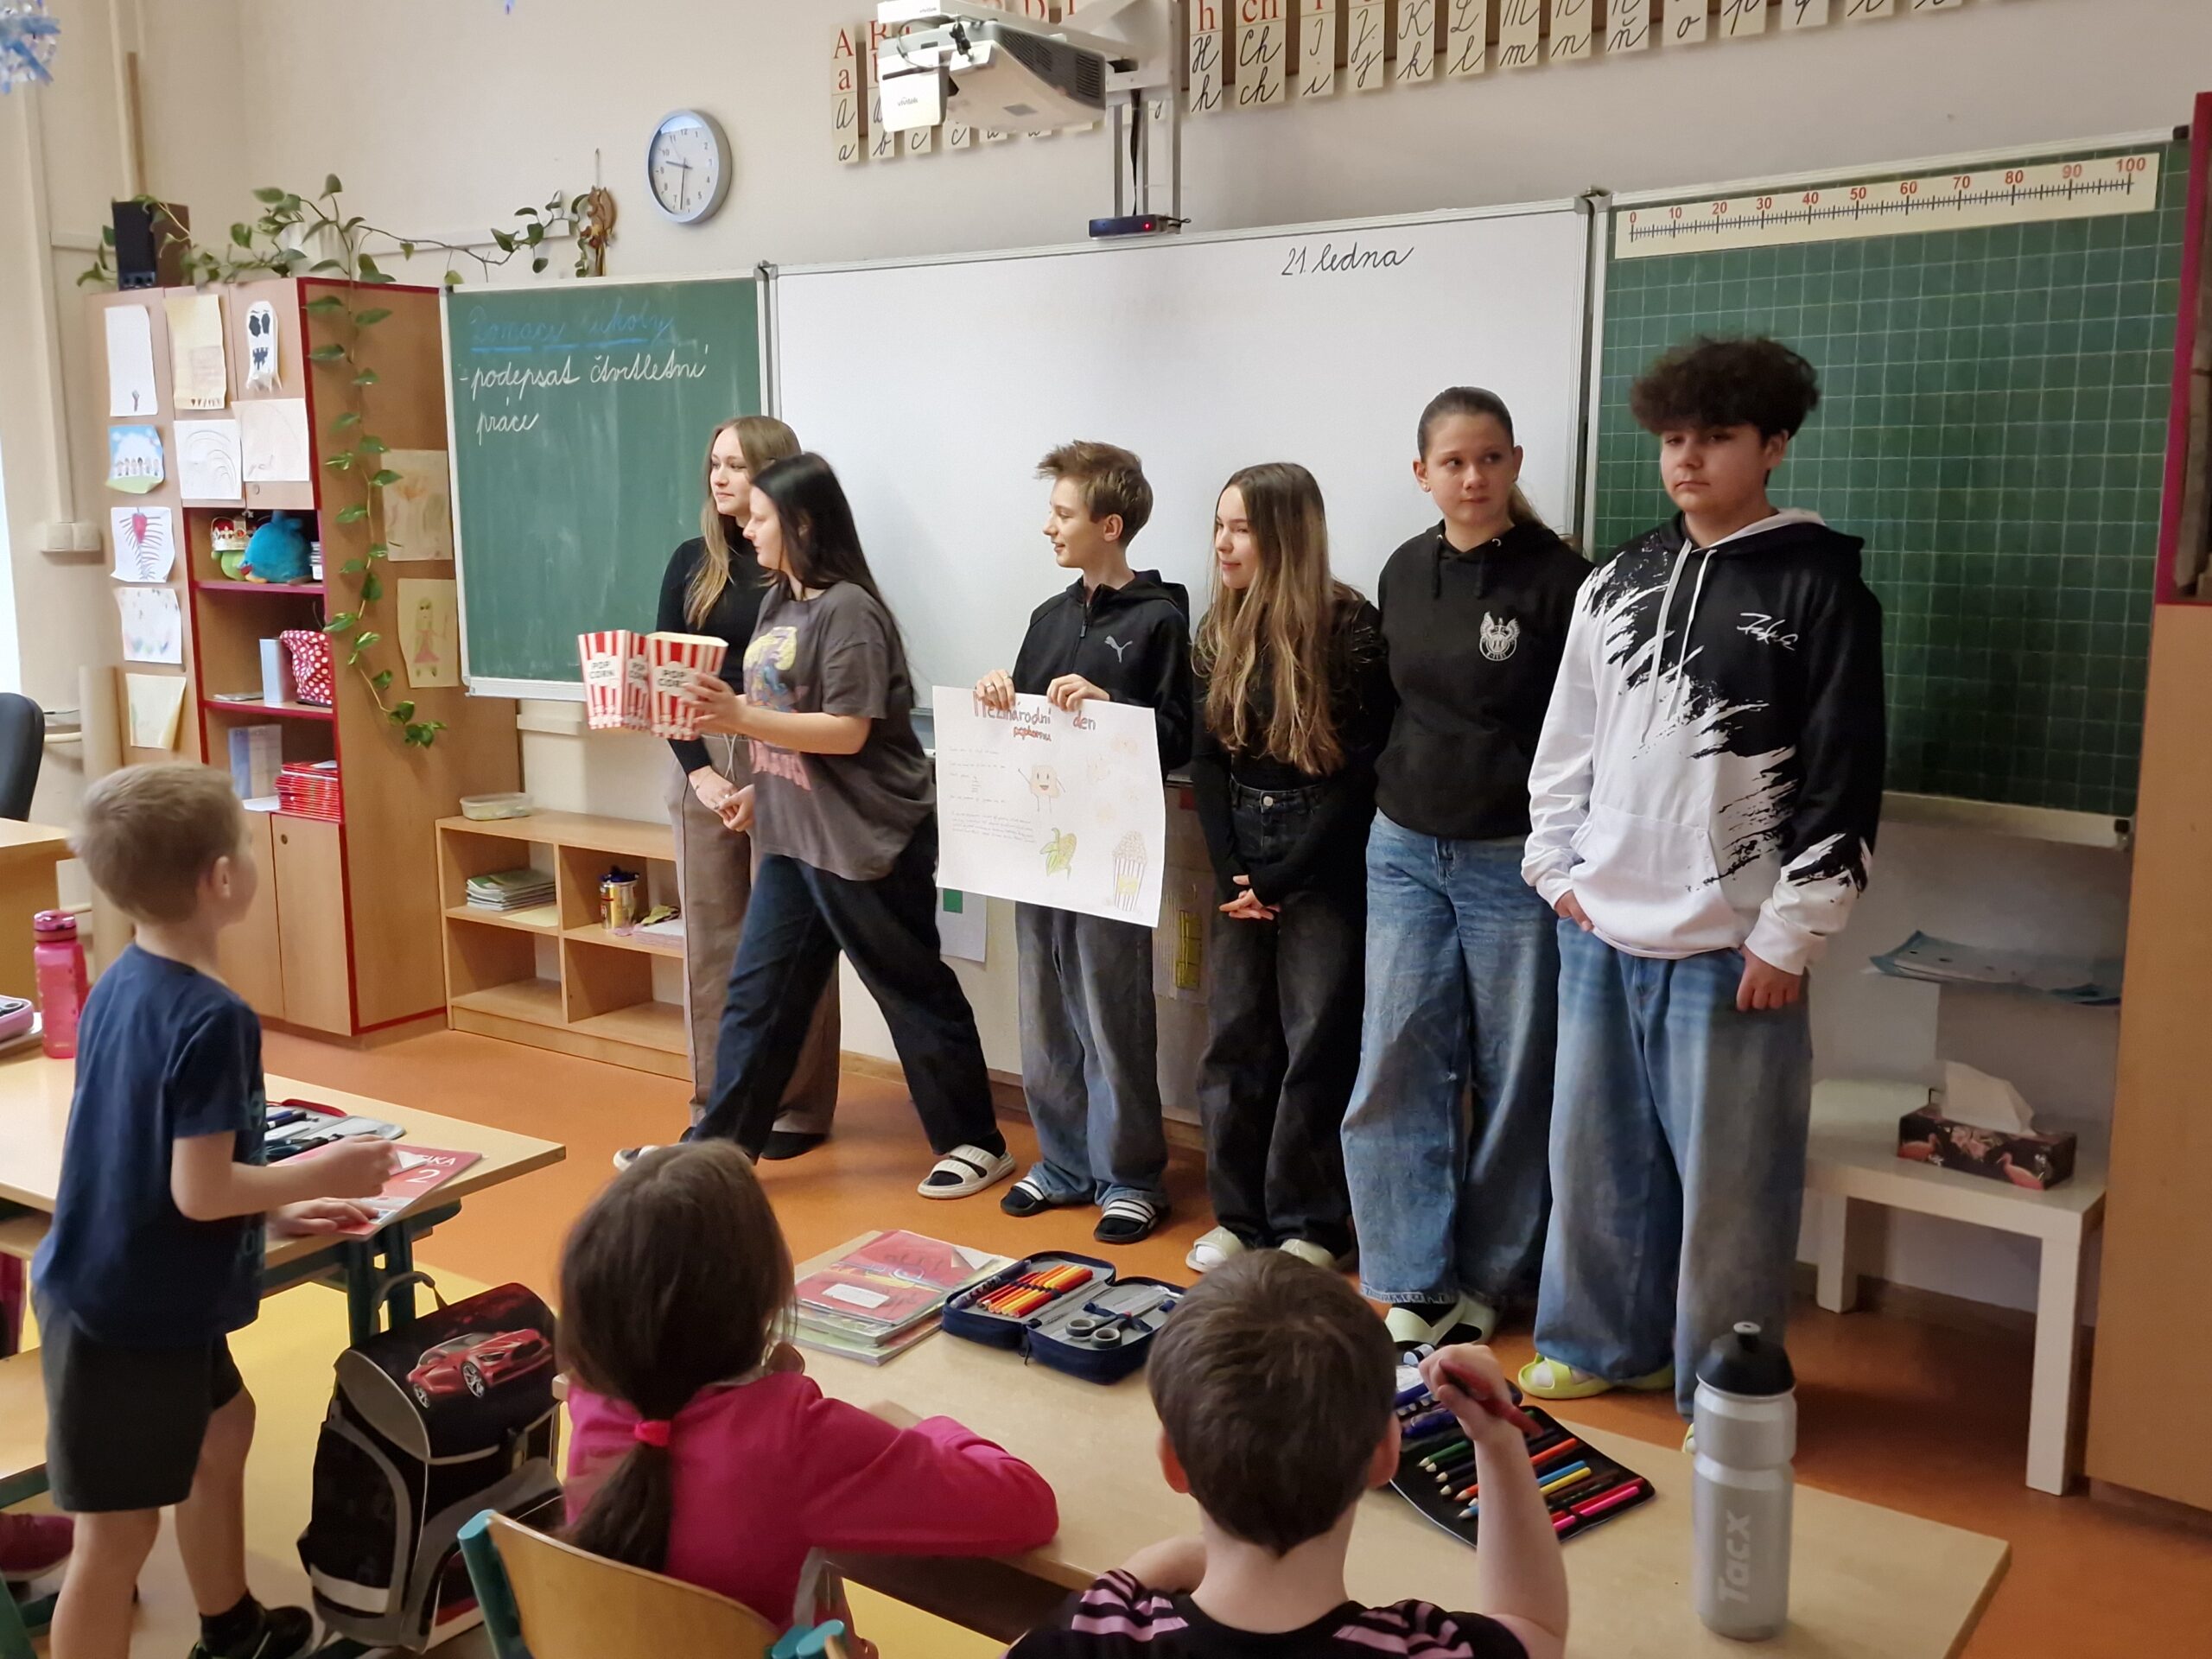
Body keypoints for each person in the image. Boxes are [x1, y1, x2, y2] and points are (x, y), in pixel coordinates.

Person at [1519, 336, 1885, 1417]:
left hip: (1734, 947)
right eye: (1674, 439)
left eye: (1715, 438)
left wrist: (1790, 935)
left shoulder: (1820, 588)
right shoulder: (1616, 578)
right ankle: (1596, 1344)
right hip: (1599, 926)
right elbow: (1568, 734)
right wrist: (1555, 869)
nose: (1687, 459)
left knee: (1733, 1190)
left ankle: (1722, 1390)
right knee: (1592, 1161)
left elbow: (1843, 776)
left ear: (1773, 446)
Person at [32, 765, 398, 1659]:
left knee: (224, 1428)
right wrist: (317, 1171)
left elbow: (145, 1162)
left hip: (146, 1287)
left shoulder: (122, 979)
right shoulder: (214, 1017)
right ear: (222, 878)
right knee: (115, 1540)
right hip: (126, 1315)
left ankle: (230, 1628)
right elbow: (198, 1190)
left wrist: (266, 1217)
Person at [618, 453, 1015, 1199]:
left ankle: (976, 1142)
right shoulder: (780, 603)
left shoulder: (848, 611)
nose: (747, 527)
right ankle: (718, 1151)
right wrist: (762, 790)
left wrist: (738, 716)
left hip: (866, 840)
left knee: (909, 989)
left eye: (761, 517)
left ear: (801, 524)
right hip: (795, 835)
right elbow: (788, 722)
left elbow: (847, 730)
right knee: (758, 997)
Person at [1338, 390, 1590, 1358]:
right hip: (1403, 847)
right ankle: (1409, 1277)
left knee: (1513, 1073)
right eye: (1453, 462)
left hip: (1512, 860)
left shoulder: (1562, 580)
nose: (1473, 477)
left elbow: (1583, 734)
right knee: (1396, 1060)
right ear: (1422, 474)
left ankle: (1490, 1278)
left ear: (1515, 462)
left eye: (1490, 458)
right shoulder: (1404, 570)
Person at [563, 1143, 1057, 1628]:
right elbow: (1026, 1507)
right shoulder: (795, 1437)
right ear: (769, 1289)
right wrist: (920, 1426)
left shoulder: (589, 1396)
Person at [1006, 1253, 1567, 1659]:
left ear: (1173, 1463)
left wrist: (1143, 1572)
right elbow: (1534, 1627)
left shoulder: (1093, 1638)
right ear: (1384, 1457)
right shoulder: (1426, 1650)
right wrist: (1497, 1439)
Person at [974, 442, 1192, 1245]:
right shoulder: (1049, 617)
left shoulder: (1160, 620)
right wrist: (999, 696)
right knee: (1044, 1008)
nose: (1049, 527)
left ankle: (1130, 1175)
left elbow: (1181, 737)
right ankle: (1064, 1162)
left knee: (1111, 1009)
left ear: (1110, 525)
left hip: (1111, 854)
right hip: (1040, 846)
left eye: (1062, 514)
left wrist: (1110, 710)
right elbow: (1026, 729)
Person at [1183, 464, 1392, 1275]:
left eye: (1242, 528)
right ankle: (1238, 1217)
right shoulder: (1219, 627)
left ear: (1285, 535)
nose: (1224, 544)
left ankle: (1312, 1222)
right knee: (1235, 1038)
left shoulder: (1349, 627)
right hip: (1242, 843)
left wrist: (1285, 875)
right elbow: (1206, 756)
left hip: (1322, 854)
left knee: (1317, 1039)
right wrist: (1234, 870)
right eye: (1220, 525)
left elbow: (1360, 771)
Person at [657, 415, 841, 1160]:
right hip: (702, 761)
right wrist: (698, 770)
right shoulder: (690, 561)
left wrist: (769, 773)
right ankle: (716, 1107)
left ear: (772, 472)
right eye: (714, 464)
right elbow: (666, 674)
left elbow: (818, 683)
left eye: (736, 464)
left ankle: (795, 1109)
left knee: (791, 942)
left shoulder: (802, 569)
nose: (720, 477)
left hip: (787, 760)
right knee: (712, 942)